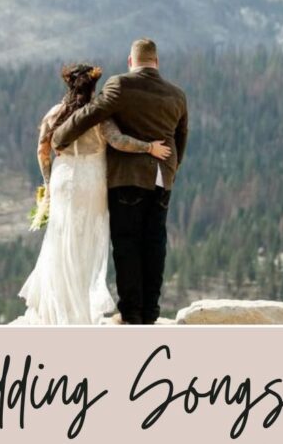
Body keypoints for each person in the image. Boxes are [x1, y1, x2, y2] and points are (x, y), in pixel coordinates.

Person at [17, 62, 171, 325]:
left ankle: (58, 308)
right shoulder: (100, 116)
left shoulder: (54, 114)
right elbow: (119, 141)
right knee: (88, 241)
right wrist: (149, 148)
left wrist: (48, 185)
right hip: (92, 182)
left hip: (63, 179)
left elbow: (43, 152)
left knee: (61, 239)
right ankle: (81, 310)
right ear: (93, 87)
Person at [53, 39, 188, 325]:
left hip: (128, 177)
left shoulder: (120, 86)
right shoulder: (177, 95)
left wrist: (60, 137)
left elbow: (91, 114)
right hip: (162, 178)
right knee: (155, 242)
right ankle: (151, 311)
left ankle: (132, 313)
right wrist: (172, 169)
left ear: (131, 61)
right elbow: (181, 138)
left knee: (127, 243)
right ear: (156, 62)